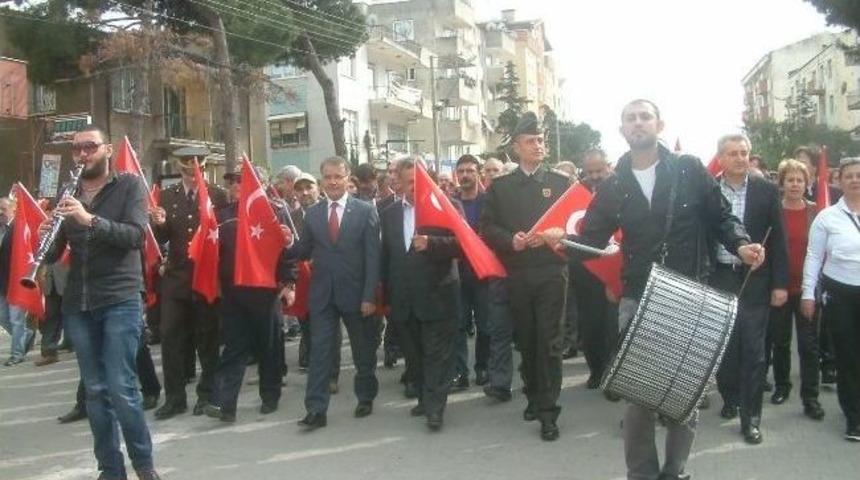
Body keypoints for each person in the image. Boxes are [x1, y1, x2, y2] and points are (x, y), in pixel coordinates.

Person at [545, 100, 762, 479]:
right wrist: (560, 241)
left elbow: (722, 217)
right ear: (622, 130)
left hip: (689, 294)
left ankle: (675, 471)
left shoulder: (687, 168)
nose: (638, 123)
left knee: (684, 393)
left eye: (645, 117)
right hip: (638, 297)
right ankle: (642, 474)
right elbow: (592, 240)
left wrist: (742, 245)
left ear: (659, 125)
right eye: (631, 118)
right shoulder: (614, 184)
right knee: (639, 396)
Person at [40, 124, 161, 480]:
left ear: (107, 149)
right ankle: (110, 470)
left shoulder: (129, 186)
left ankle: (144, 467)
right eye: (77, 149)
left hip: (120, 297)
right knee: (94, 391)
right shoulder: (68, 190)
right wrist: (46, 235)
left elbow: (136, 236)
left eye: (90, 147)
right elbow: (57, 253)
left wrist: (88, 219)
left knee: (121, 387)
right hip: (78, 303)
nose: (82, 154)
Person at [480, 111, 571, 442]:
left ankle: (548, 411)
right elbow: (487, 227)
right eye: (531, 141)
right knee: (528, 340)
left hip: (551, 271)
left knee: (549, 341)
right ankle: (533, 393)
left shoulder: (561, 184)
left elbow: (577, 224)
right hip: (518, 273)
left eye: (541, 140)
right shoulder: (501, 187)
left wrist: (558, 234)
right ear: (516, 148)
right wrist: (511, 240)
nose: (538, 145)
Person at [288, 156, 381, 430]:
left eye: (338, 177)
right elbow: (304, 251)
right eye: (328, 177)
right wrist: (288, 242)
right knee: (320, 352)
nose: (333, 182)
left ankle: (365, 396)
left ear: (347, 178)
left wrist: (369, 296)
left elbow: (373, 258)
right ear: (322, 180)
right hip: (323, 295)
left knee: (362, 351)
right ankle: (316, 410)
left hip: (356, 294)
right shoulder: (314, 213)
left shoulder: (365, 211)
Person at [711, 133, 788, 445]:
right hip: (719, 278)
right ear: (721, 158)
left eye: (744, 152)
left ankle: (751, 418)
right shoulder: (709, 189)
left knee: (754, 352)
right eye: (733, 153)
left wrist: (780, 284)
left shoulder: (766, 190)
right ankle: (730, 397)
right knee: (725, 348)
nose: (740, 158)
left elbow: (778, 238)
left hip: (756, 280)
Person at [205, 166, 296, 423]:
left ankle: (270, 395)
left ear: (260, 184)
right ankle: (224, 404)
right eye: (232, 181)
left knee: (269, 346)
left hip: (266, 291)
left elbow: (288, 250)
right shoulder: (222, 215)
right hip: (233, 292)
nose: (236, 185)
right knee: (234, 347)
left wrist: (289, 282)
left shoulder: (275, 212)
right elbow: (214, 250)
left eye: (241, 180)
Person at [381, 158, 462, 430]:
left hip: (438, 295)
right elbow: (387, 256)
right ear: (400, 184)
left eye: (419, 181)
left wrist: (432, 243)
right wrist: (384, 296)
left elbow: (464, 245)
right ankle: (425, 399)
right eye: (409, 182)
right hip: (404, 300)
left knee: (437, 356)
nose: (414, 187)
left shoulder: (447, 206)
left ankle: (435, 407)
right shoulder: (390, 213)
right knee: (415, 356)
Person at [150, 147, 227, 420]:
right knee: (170, 338)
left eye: (197, 169)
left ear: (204, 168)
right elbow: (161, 238)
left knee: (207, 338)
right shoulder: (167, 196)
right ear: (179, 169)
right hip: (177, 277)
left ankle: (207, 394)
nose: (193, 175)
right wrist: (159, 224)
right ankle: (175, 397)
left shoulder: (217, 195)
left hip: (206, 276)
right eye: (187, 171)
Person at [802, 157, 860, 442]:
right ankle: (854, 418)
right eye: (849, 176)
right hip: (840, 293)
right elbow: (814, 256)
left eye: (859, 175)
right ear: (839, 181)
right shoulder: (827, 217)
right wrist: (808, 293)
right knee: (848, 356)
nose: (855, 180)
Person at [766, 159, 824, 420]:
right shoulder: (773, 211)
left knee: (809, 345)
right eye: (790, 180)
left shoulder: (816, 213)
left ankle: (811, 397)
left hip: (807, 288)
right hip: (780, 287)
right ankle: (782, 386)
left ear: (807, 184)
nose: (795, 184)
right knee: (780, 342)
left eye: (800, 180)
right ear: (782, 183)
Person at [795, 145, 842, 386]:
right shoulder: (793, 190)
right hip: (805, 258)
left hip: (831, 262)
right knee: (811, 318)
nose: (799, 165)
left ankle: (829, 362)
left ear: (815, 166)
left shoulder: (831, 192)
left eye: (804, 161)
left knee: (829, 316)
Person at [572, 149, 618, 387]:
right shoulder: (574, 193)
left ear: (608, 166)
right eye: (589, 172)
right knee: (590, 324)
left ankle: (614, 373)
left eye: (599, 171)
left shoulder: (622, 188)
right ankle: (597, 370)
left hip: (616, 266)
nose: (595, 176)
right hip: (585, 268)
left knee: (614, 324)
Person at [451, 154, 489, 390]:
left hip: (484, 272)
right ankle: (459, 372)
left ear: (478, 173)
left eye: (470, 171)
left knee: (485, 323)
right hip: (457, 272)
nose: (465, 175)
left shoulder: (490, 202)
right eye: (461, 171)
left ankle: (483, 367)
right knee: (458, 324)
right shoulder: (449, 203)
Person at [0, 196, 35, 366]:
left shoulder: (19, 228)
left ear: (13, 209)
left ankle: (17, 354)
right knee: (3, 317)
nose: (0, 212)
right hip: (1, 283)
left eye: (3, 209)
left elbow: (27, 253)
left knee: (16, 319)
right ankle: (26, 335)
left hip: (16, 281)